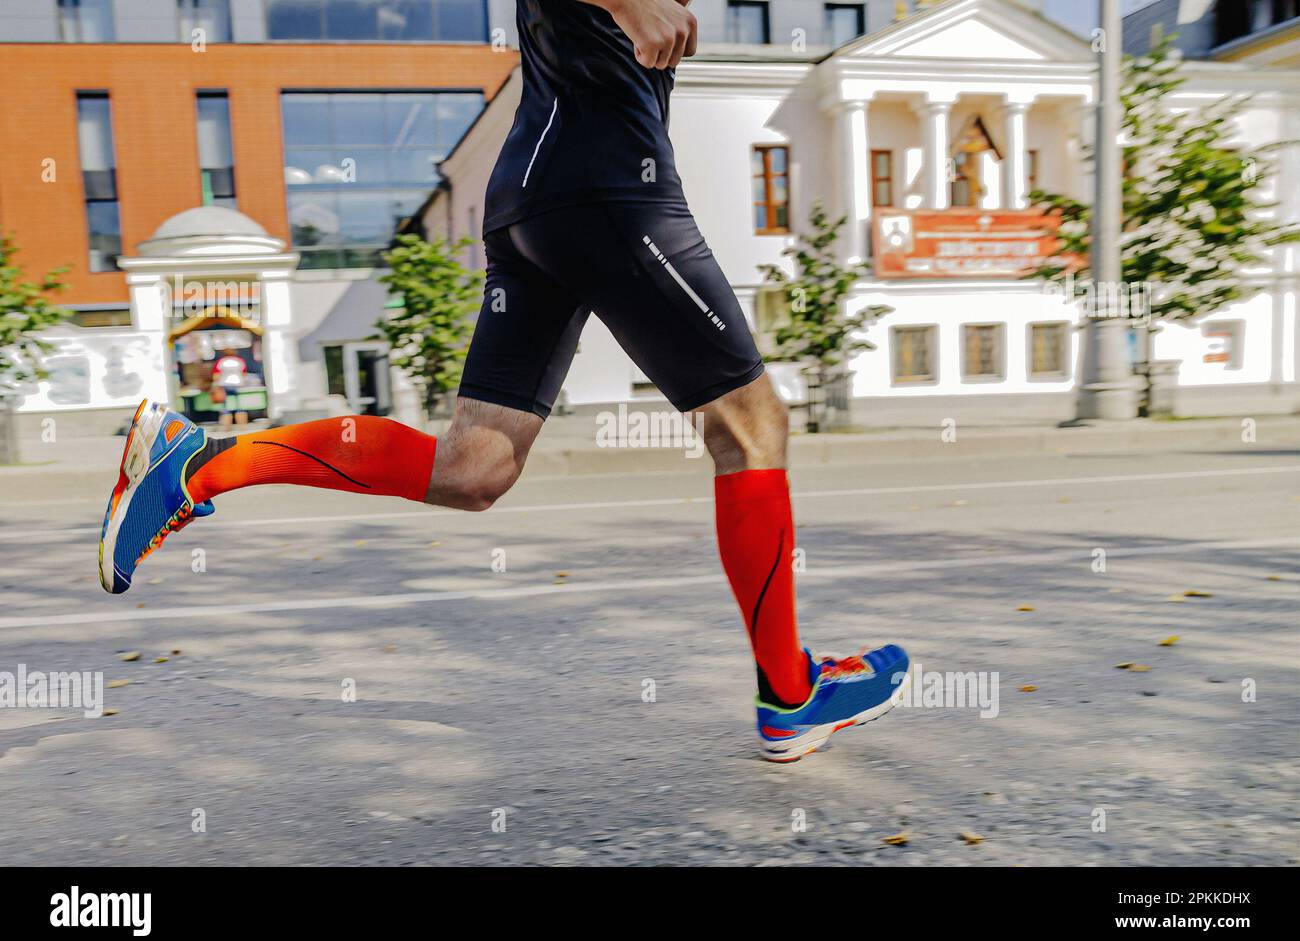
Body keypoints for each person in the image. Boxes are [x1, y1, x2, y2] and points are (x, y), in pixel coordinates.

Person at [98, 0, 910, 762]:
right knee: (752, 424)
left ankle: (199, 462)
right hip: (607, 190)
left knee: (472, 470)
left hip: (536, 199)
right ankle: (788, 693)